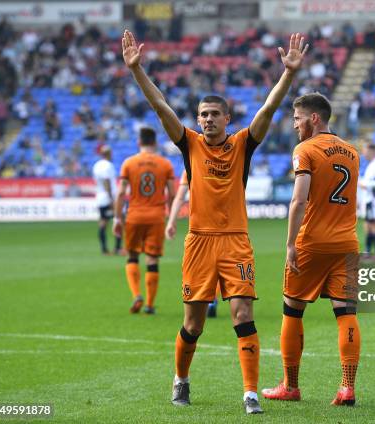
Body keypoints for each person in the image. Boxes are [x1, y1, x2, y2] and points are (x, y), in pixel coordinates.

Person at [121, 29, 308, 414]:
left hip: (236, 241)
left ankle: (251, 393)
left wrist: (287, 74)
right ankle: (181, 379)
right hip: (199, 242)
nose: (207, 120)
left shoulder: (242, 143)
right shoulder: (188, 143)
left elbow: (269, 110)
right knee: (194, 324)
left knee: (243, 313)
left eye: (214, 114)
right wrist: (137, 71)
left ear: (227, 118)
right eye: (202, 115)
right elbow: (161, 108)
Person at [262, 93, 361, 406]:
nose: (294, 125)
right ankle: (347, 387)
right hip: (347, 243)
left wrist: (291, 243)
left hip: (313, 243)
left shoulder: (305, 149)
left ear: (313, 118)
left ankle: (290, 386)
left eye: (297, 118)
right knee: (346, 313)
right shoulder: (353, 152)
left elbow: (299, 199)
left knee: (292, 309)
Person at [113, 127, 175, 315]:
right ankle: (149, 304)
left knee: (132, 256)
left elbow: (121, 192)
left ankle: (136, 294)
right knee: (152, 259)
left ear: (139, 142)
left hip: (134, 216)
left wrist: (117, 218)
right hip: (156, 216)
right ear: (155, 143)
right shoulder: (165, 164)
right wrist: (170, 216)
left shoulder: (129, 163)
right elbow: (172, 194)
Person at [165, 170, 218, 318]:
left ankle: (207, 298)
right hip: (225, 225)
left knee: (203, 266)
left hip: (201, 227)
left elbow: (180, 197)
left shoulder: (192, 166)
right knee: (218, 264)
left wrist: (171, 222)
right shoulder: (227, 160)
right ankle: (212, 298)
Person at [92, 145, 122, 255]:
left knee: (103, 222)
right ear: (108, 154)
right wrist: (111, 199)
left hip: (100, 197)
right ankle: (117, 248)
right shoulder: (108, 165)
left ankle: (104, 249)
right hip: (108, 198)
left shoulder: (96, 165)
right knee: (118, 220)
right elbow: (106, 182)